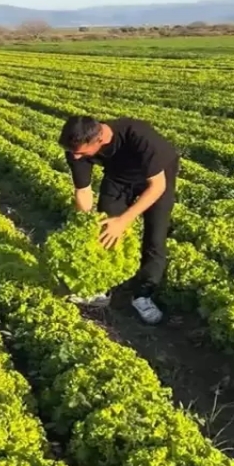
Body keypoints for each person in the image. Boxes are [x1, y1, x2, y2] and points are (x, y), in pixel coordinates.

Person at [58, 115, 180, 325]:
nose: (76, 157)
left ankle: (143, 295)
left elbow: (157, 187)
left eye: (81, 153)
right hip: (118, 177)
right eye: (73, 152)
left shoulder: (138, 135)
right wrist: (85, 226)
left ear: (100, 140)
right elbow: (83, 192)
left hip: (158, 177)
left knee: (155, 236)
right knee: (104, 228)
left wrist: (123, 221)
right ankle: (100, 287)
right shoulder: (76, 148)